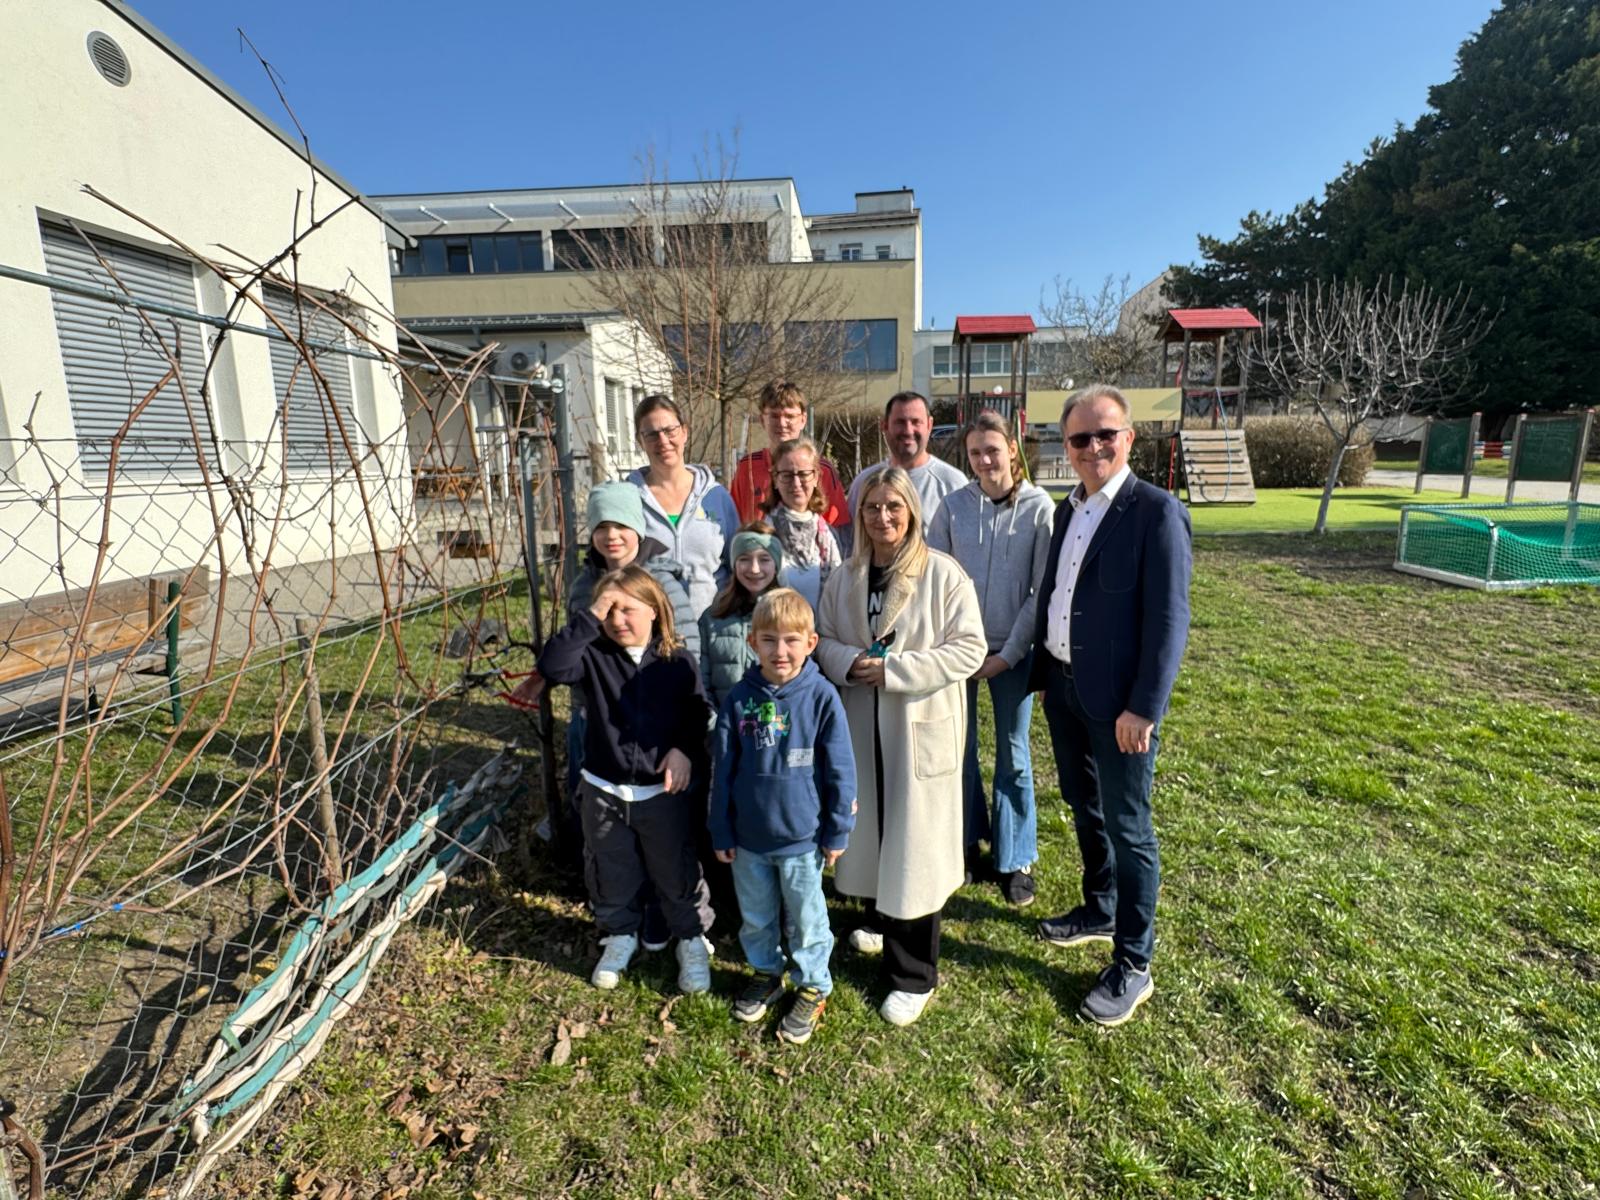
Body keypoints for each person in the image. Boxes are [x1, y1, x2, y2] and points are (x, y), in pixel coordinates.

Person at [1028, 384, 1192, 1027]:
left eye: (1105, 434)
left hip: (1121, 707)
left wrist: (1144, 708)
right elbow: (1057, 594)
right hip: (1065, 689)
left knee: (1129, 827)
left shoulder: (1156, 512)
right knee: (1083, 804)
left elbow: (1169, 620)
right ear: (1066, 446)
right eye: (1080, 438)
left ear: (1129, 438)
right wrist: (1046, 674)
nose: (1093, 447)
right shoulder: (1067, 510)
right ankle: (1099, 908)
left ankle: (1133, 962)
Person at [814, 467, 985, 1027]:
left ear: (911, 510)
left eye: (893, 506)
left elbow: (969, 649)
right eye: (871, 507)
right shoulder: (846, 576)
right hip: (862, 725)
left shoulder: (943, 574)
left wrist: (895, 671)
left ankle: (914, 975)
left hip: (917, 724)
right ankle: (878, 919)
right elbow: (823, 640)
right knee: (871, 829)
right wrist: (848, 662)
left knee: (915, 847)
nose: (882, 517)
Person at [537, 566, 717, 994]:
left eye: (627, 609)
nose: (617, 620)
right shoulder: (593, 656)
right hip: (604, 789)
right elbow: (552, 666)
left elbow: (696, 713)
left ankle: (691, 937)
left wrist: (683, 750)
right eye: (608, 610)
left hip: (661, 792)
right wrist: (589, 617)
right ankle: (619, 933)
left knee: (675, 868)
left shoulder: (677, 661)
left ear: (654, 610)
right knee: (610, 867)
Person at [710, 588, 856, 1045]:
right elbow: (723, 770)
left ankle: (813, 984)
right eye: (769, 640)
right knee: (756, 917)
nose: (781, 651)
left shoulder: (822, 697)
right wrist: (721, 828)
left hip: (802, 840)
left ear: (811, 643)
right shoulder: (739, 699)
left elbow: (841, 770)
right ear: (752, 642)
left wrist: (837, 830)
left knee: (808, 920)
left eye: (792, 640)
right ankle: (766, 972)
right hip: (748, 840)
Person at [927, 411, 1054, 906]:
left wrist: (1009, 654)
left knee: (1013, 753)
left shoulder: (1040, 509)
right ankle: (964, 839)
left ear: (1013, 449)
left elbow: (1040, 591)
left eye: (993, 450)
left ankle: (1015, 856)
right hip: (957, 650)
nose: (984, 461)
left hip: (1012, 651)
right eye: (975, 453)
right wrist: (954, 646)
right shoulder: (953, 507)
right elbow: (935, 577)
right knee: (957, 750)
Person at [627, 394, 740, 620]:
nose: (663, 441)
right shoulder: (629, 499)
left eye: (670, 430)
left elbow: (737, 563)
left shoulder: (716, 497)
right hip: (652, 628)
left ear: (685, 432)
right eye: (652, 434)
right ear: (640, 441)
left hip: (713, 626)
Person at [729, 380, 851, 546]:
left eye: (790, 416)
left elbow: (838, 531)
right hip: (759, 558)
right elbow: (734, 523)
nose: (782, 423)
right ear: (762, 419)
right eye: (774, 416)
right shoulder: (748, 467)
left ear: (803, 419)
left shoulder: (822, 470)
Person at [844, 391, 966, 524]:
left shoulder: (952, 484)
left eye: (916, 422)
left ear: (929, 425)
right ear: (884, 425)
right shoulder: (864, 482)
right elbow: (849, 535)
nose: (908, 431)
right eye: (900, 422)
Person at [699, 523, 784, 711]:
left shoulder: (792, 615)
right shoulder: (712, 618)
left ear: (776, 564)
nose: (754, 569)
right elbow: (701, 683)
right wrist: (718, 723)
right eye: (744, 559)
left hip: (777, 724)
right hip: (724, 723)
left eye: (764, 559)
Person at [763, 436, 843, 611]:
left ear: (815, 477)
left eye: (803, 474)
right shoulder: (764, 534)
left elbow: (838, 591)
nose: (796, 483)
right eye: (787, 475)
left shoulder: (826, 535)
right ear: (775, 479)